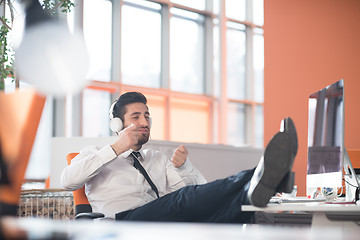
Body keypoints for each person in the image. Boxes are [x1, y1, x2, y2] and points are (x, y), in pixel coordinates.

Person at [61, 92, 298, 223]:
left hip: (158, 218)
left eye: (147, 116)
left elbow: (197, 196)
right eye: (136, 117)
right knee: (183, 199)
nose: (144, 122)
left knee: (232, 212)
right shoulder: (94, 154)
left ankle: (265, 181)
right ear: (117, 124)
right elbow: (68, 180)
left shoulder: (156, 158)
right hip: (122, 222)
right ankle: (262, 174)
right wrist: (116, 148)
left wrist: (186, 168)